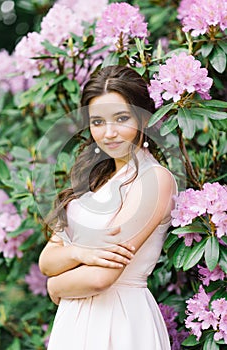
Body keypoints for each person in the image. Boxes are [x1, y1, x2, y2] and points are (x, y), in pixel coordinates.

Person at [39, 65, 177, 350]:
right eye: (98, 122)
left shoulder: (153, 179)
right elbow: (46, 261)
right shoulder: (95, 180)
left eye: (121, 118)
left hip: (119, 319)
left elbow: (102, 277)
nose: (109, 133)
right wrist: (79, 252)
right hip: (75, 321)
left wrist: (54, 286)